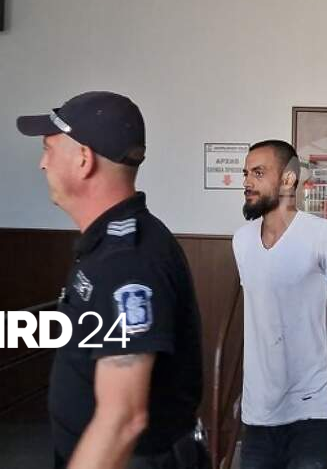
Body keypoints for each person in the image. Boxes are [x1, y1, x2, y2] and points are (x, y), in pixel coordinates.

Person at [17, 91, 208, 469]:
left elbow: (123, 419)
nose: (42, 164)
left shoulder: (127, 261)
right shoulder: (107, 245)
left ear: (83, 159)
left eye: (48, 149)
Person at [231, 140, 327, 469]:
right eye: (246, 174)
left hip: (311, 406)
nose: (247, 182)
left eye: (258, 173)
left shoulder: (322, 234)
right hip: (259, 406)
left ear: (288, 179)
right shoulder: (241, 240)